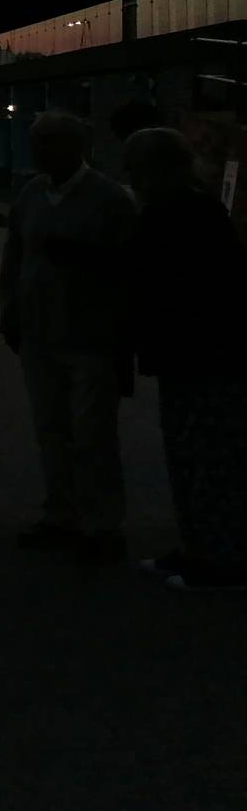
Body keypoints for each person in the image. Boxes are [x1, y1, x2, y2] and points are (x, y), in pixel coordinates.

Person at [0, 111, 139, 562]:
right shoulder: (31, 193)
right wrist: (10, 311)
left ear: (77, 147)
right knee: (52, 428)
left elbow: (129, 268)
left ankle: (102, 524)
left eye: (51, 143)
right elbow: (14, 256)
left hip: (91, 335)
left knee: (93, 432)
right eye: (38, 143)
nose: (41, 152)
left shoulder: (110, 199)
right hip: (39, 333)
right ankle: (62, 515)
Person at [123, 128, 247, 590]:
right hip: (196, 357)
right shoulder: (192, 210)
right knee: (195, 458)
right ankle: (202, 549)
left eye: (135, 169)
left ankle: (221, 560)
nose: (130, 178)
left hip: (205, 359)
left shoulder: (180, 215)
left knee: (208, 461)